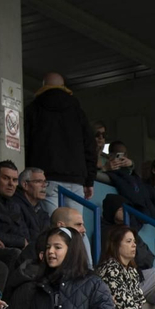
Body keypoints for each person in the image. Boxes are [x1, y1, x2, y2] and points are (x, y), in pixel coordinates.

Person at [22, 72, 97, 215]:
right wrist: (89, 180)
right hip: (75, 180)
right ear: (63, 87)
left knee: (54, 227)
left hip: (46, 178)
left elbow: (25, 145)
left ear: (43, 87)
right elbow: (90, 147)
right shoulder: (78, 112)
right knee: (75, 227)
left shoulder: (32, 110)